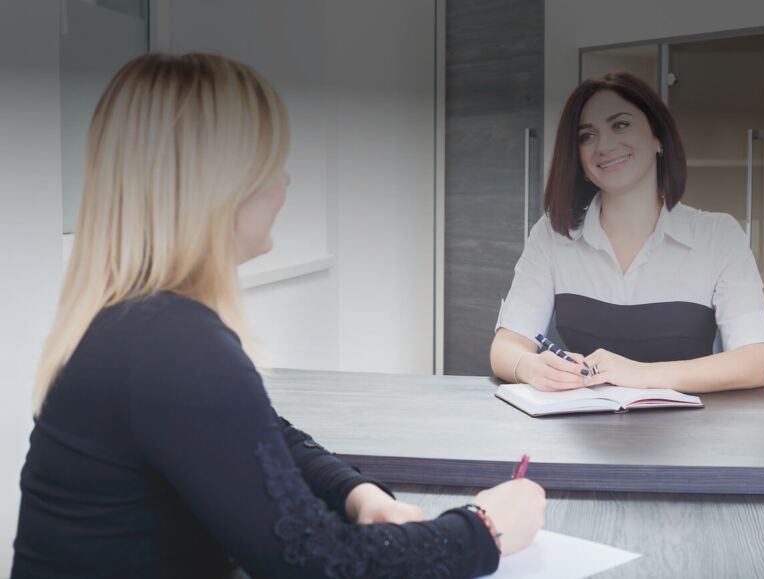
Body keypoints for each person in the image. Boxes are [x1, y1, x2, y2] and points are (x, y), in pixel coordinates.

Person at [12, 53, 545, 578]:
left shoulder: (135, 323)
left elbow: (260, 435)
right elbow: (315, 562)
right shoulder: (173, 342)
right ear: (221, 184)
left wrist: (353, 493)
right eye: (271, 162)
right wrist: (483, 530)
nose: (284, 181)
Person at [491, 71, 764, 394]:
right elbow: (506, 346)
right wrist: (529, 366)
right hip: (581, 430)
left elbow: (753, 362)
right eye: (587, 136)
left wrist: (637, 374)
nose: (605, 145)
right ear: (579, 158)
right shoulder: (552, 234)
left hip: (689, 436)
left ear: (658, 138)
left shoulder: (719, 236)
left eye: (620, 125)